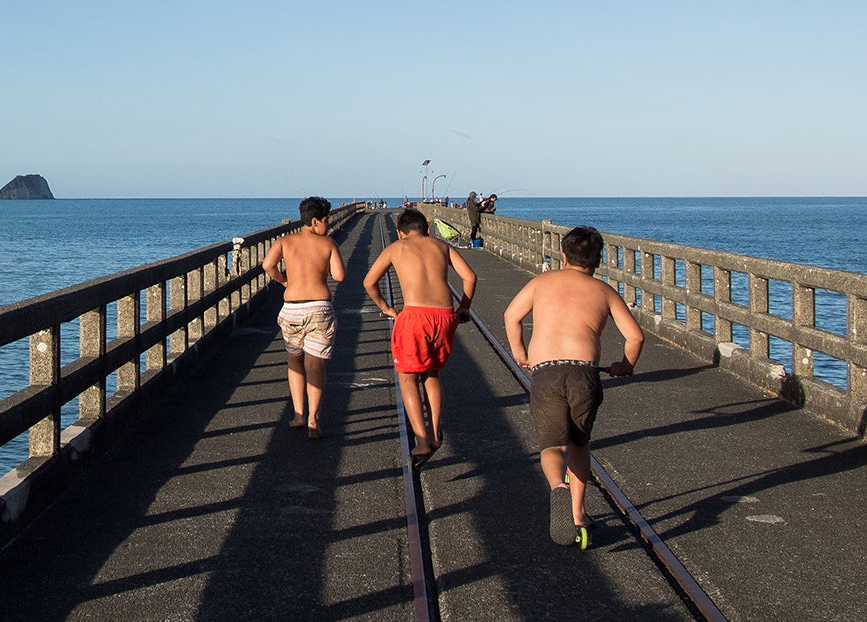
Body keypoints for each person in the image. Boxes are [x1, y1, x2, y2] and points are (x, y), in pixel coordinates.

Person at [502, 225, 645, 549]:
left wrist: (521, 353)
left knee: (552, 445)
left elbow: (512, 316)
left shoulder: (542, 282)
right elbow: (635, 337)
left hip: (547, 372)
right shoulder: (604, 291)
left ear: (563, 255)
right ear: (597, 259)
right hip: (585, 374)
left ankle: (558, 488)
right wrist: (625, 366)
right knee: (580, 445)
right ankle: (579, 514)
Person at [363, 208, 476, 460]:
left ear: (400, 233)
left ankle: (422, 441)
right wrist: (464, 306)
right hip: (445, 316)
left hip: (414, 316)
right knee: (431, 373)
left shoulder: (396, 248)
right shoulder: (441, 246)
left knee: (407, 378)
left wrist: (387, 308)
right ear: (426, 229)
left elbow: (369, 282)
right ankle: (435, 433)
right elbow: (470, 277)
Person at [263, 197, 345, 438]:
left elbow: (268, 265)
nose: (327, 225)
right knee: (316, 366)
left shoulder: (284, 242)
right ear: (315, 221)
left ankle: (298, 414)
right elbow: (339, 276)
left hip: (291, 308)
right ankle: (313, 420)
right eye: (326, 220)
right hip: (319, 308)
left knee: (295, 362)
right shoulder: (327, 243)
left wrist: (284, 280)